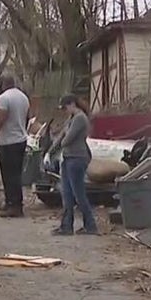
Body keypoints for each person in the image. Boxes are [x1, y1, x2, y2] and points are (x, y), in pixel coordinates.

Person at [0, 74, 30, 218]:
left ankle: (14, 205)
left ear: (3, 84)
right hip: (21, 139)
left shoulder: (4, 99)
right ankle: (12, 202)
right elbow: (27, 118)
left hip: (8, 141)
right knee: (16, 174)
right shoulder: (23, 97)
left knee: (9, 176)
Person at [52, 94, 97, 235]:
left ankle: (90, 225)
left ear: (72, 104)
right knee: (67, 194)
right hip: (68, 158)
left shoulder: (80, 118)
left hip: (77, 158)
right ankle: (66, 226)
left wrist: (64, 133)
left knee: (79, 194)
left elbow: (67, 140)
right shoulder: (72, 118)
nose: (65, 111)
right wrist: (51, 150)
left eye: (65, 108)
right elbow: (61, 138)